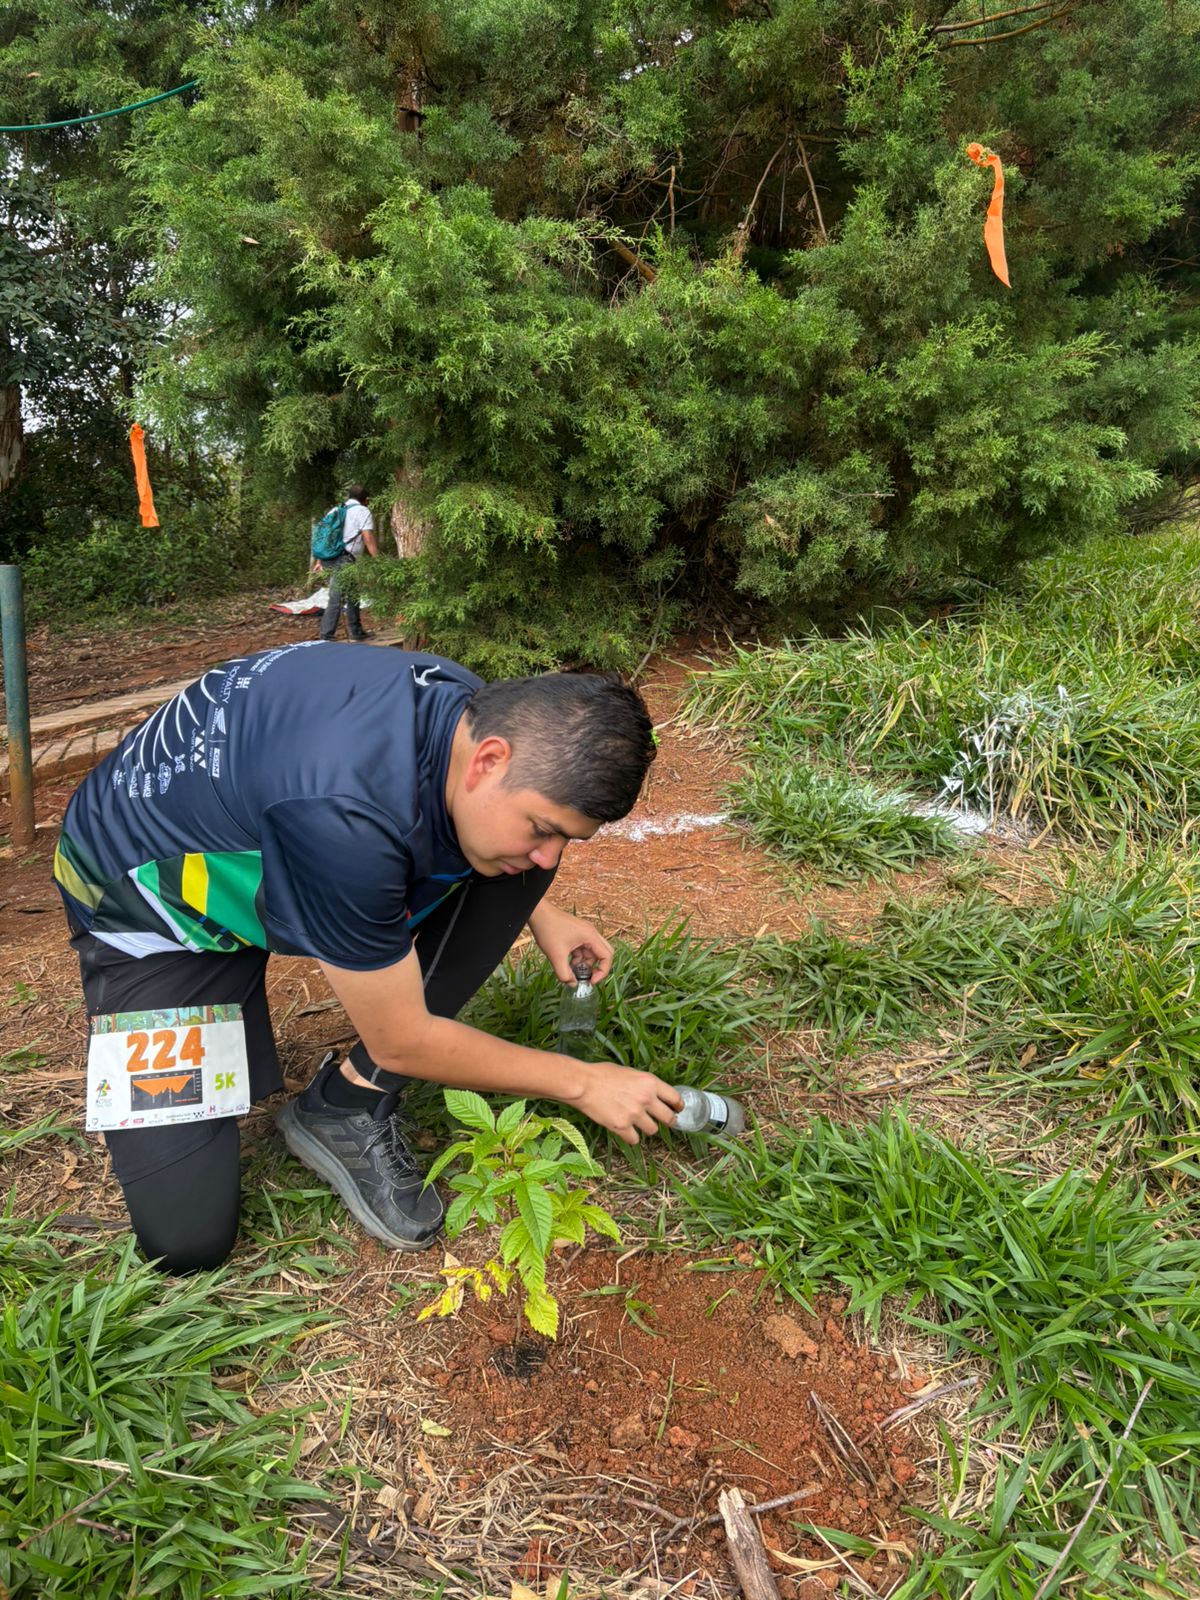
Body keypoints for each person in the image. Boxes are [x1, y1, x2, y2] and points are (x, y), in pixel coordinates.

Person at [52, 642, 682, 1273]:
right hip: (159, 910)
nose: (550, 855)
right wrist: (583, 1082)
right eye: (543, 828)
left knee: (510, 866)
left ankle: (346, 1105)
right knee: (186, 1237)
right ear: (490, 759)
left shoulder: (464, 706)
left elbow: (463, 827)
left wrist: (540, 913)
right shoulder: (345, 818)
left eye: (566, 838)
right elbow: (402, 1043)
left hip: (277, 836)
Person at [317, 484, 378, 642]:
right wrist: (379, 560)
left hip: (329, 558)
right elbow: (368, 537)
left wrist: (319, 560)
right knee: (336, 598)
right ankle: (326, 636)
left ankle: (356, 632)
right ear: (366, 500)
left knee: (352, 595)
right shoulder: (363, 511)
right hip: (344, 559)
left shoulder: (335, 510)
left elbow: (324, 537)